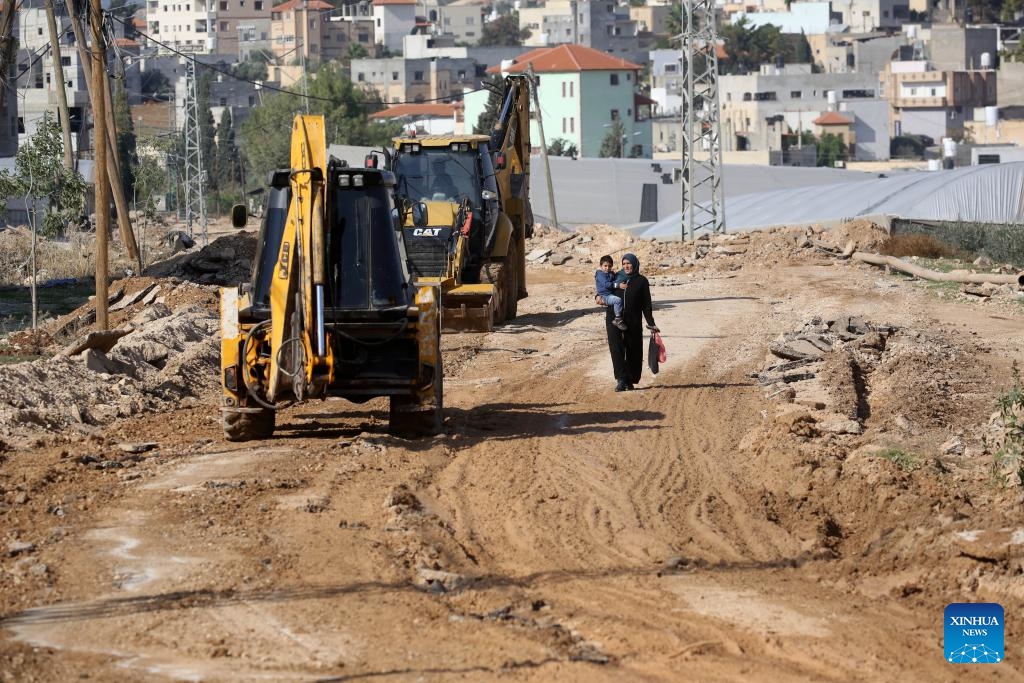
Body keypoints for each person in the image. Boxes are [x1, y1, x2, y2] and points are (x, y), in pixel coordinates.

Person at [597, 253, 658, 392]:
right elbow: (603, 287)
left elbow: (646, 304)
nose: (626, 266)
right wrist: (597, 296)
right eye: (624, 264)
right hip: (614, 318)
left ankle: (630, 380)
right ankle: (621, 379)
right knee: (616, 348)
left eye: (628, 263)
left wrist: (651, 323)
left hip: (633, 320)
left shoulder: (641, 281)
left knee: (633, 349)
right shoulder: (616, 276)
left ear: (634, 264)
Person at [595, 255, 627, 331]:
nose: (607, 268)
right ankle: (618, 319)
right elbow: (607, 284)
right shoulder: (600, 275)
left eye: (609, 266)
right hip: (604, 296)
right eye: (605, 266)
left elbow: (616, 278)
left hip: (609, 294)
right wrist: (618, 285)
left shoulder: (611, 273)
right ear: (601, 266)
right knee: (617, 300)